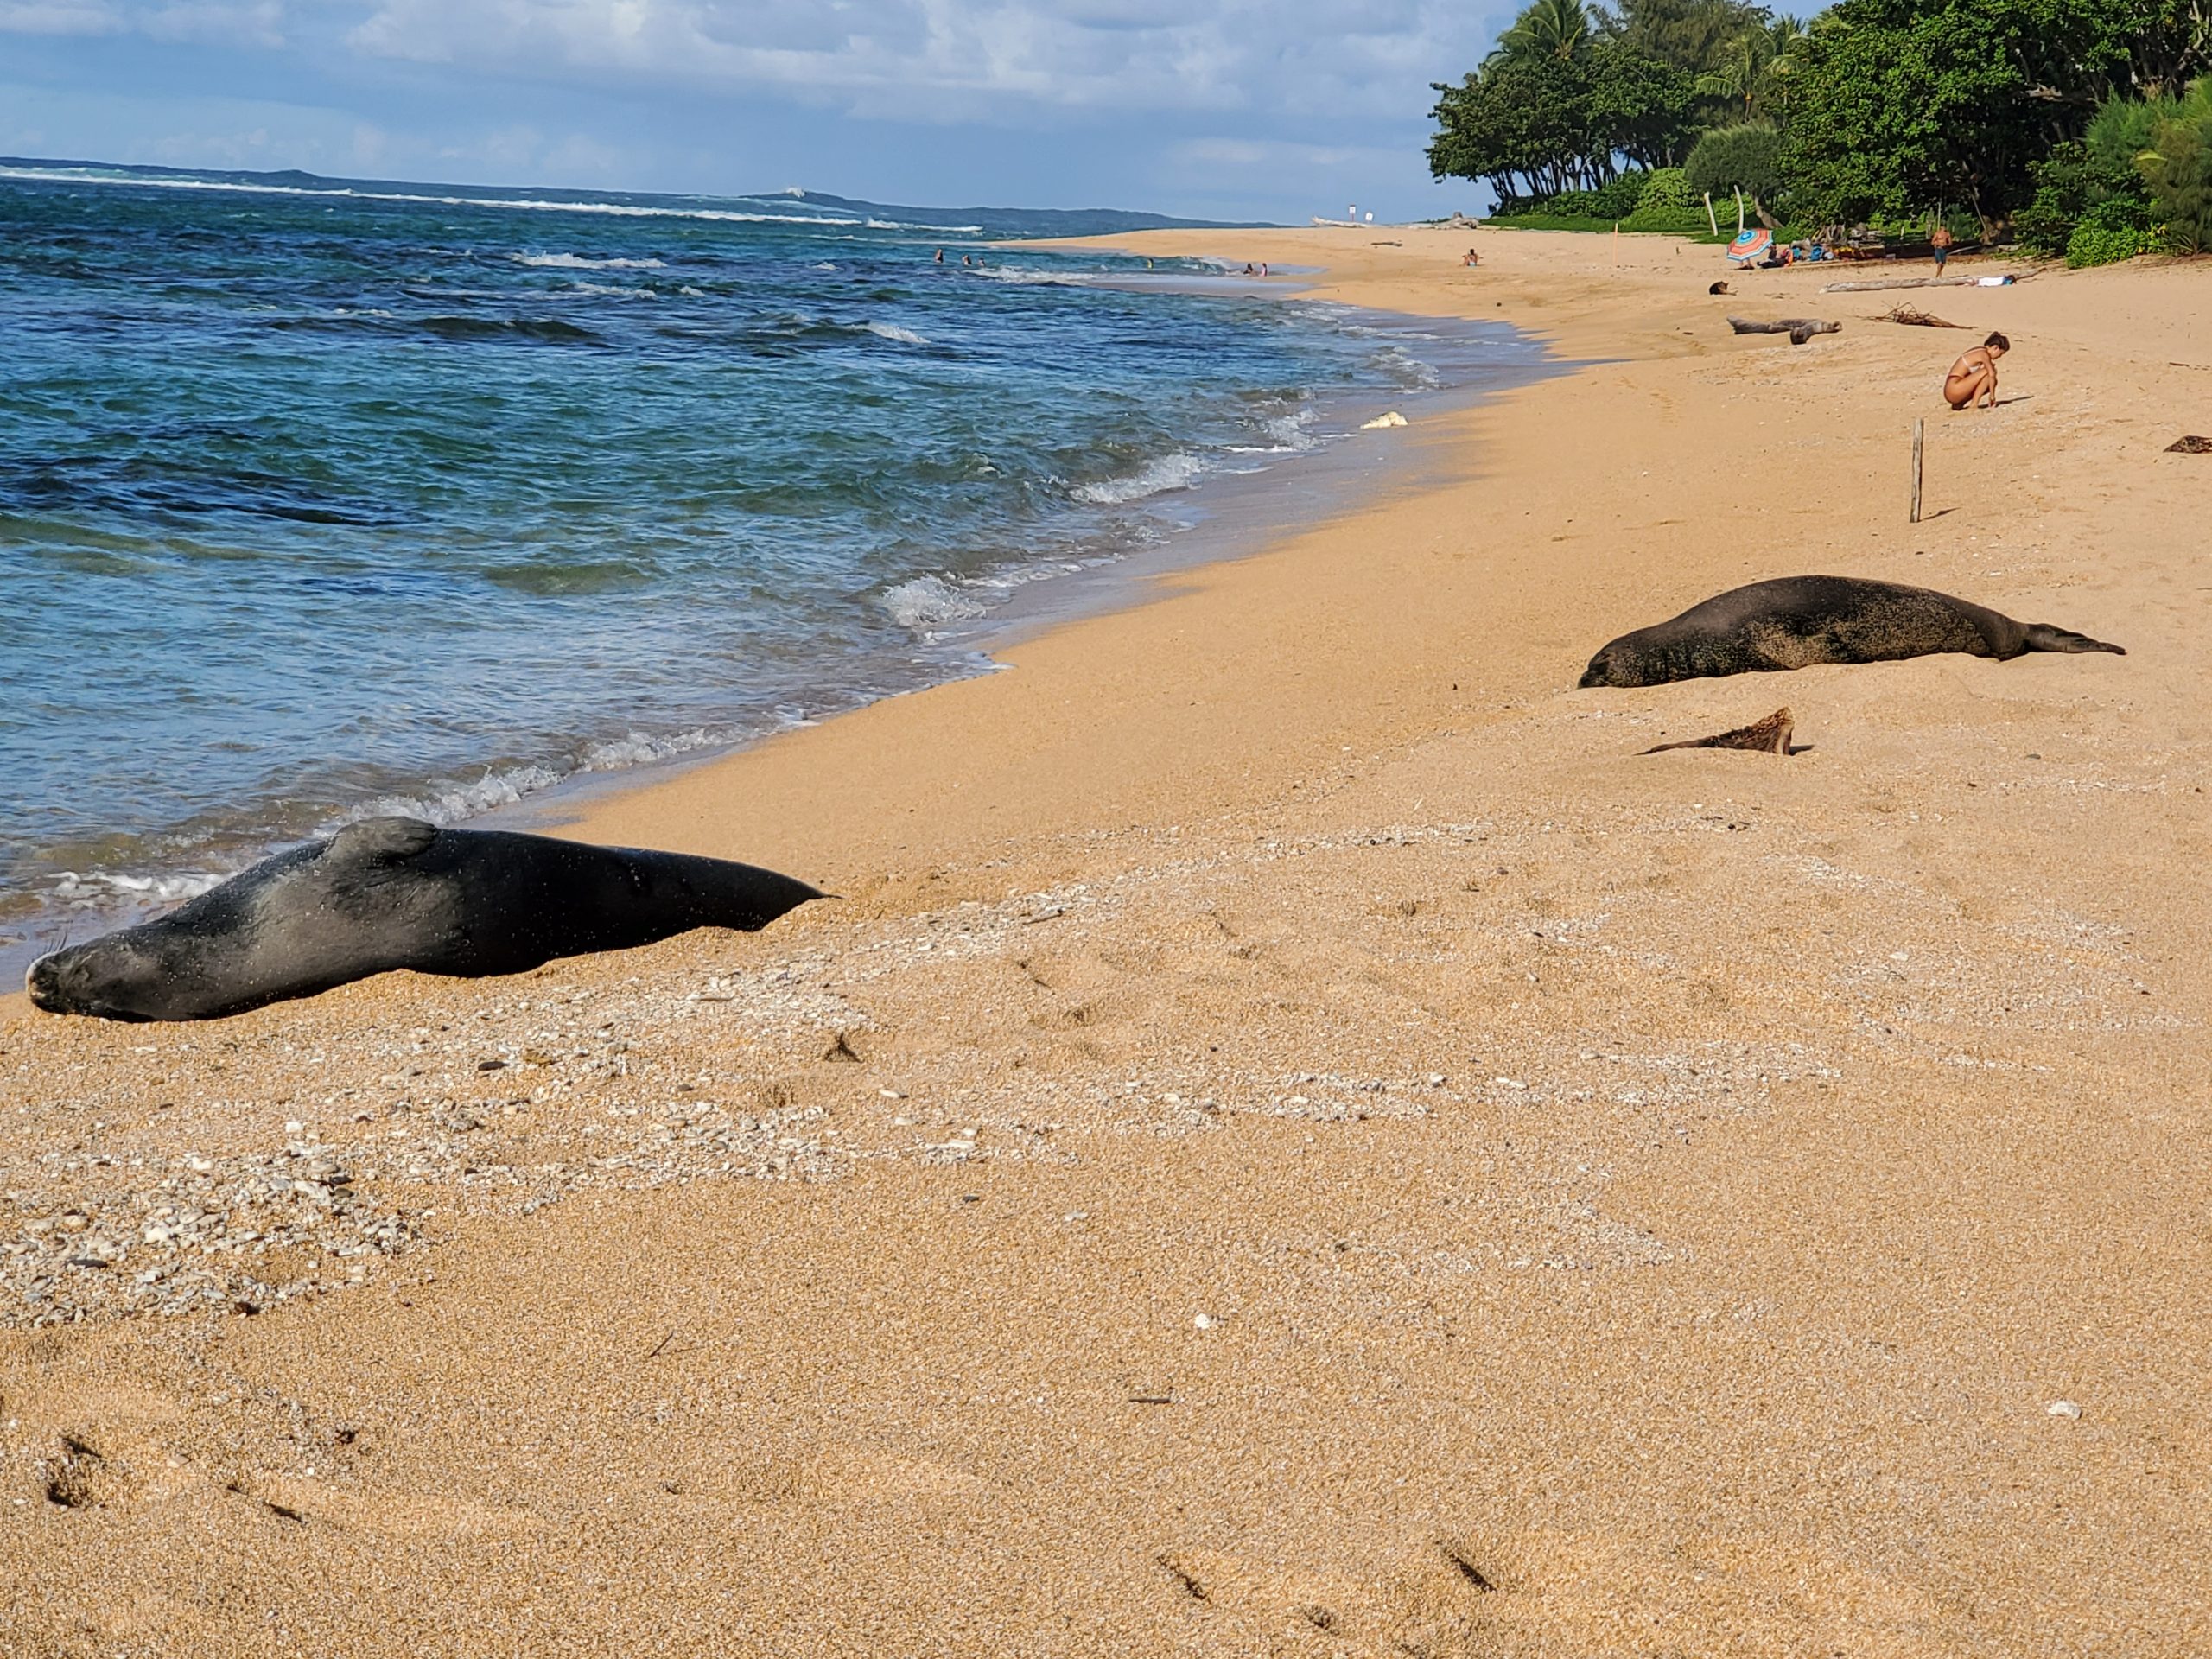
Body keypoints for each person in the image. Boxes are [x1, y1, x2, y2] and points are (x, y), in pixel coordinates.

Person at [1944, 331, 2009, 410]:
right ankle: (1974, 405)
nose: (1999, 357)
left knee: (1986, 376)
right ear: (1996, 348)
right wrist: (1992, 396)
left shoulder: (1978, 350)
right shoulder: (1983, 354)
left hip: (1951, 388)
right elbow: (1991, 374)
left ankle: (1959, 404)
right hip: (1954, 388)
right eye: (2001, 354)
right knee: (1990, 372)